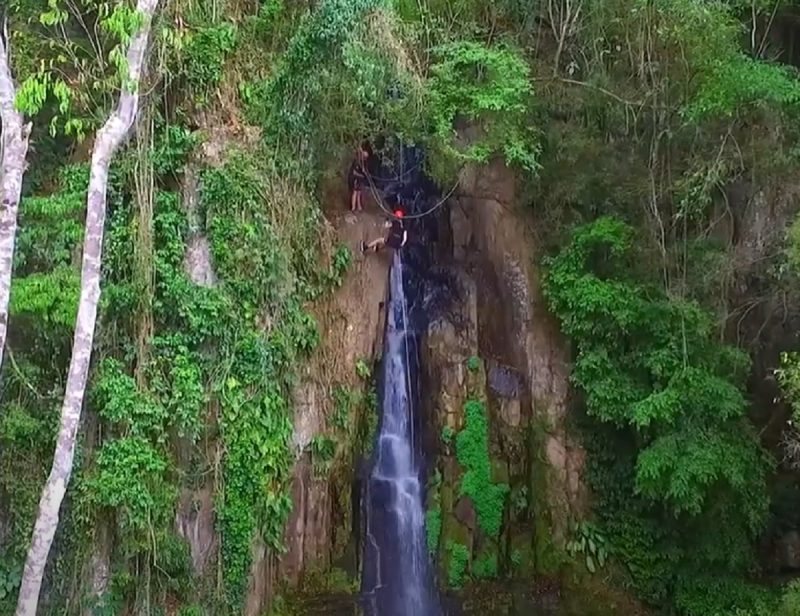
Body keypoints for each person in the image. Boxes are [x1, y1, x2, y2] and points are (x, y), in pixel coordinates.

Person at [348, 141, 372, 212]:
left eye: (366, 157)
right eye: (364, 157)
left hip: (359, 179)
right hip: (355, 179)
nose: (365, 158)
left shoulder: (363, 163)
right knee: (355, 192)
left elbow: (364, 171)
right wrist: (362, 175)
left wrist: (364, 174)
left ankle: (359, 207)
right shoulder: (357, 162)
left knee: (359, 192)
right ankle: (353, 208)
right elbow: (354, 172)